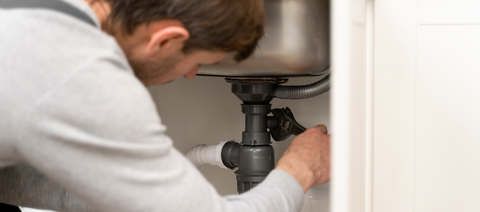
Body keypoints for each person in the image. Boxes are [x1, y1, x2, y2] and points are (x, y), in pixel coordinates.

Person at [0, 0, 331, 211]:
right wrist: (301, 169)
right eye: (195, 62)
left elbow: (13, 176)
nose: (189, 75)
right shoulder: (88, 78)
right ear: (164, 39)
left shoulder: (42, 12)